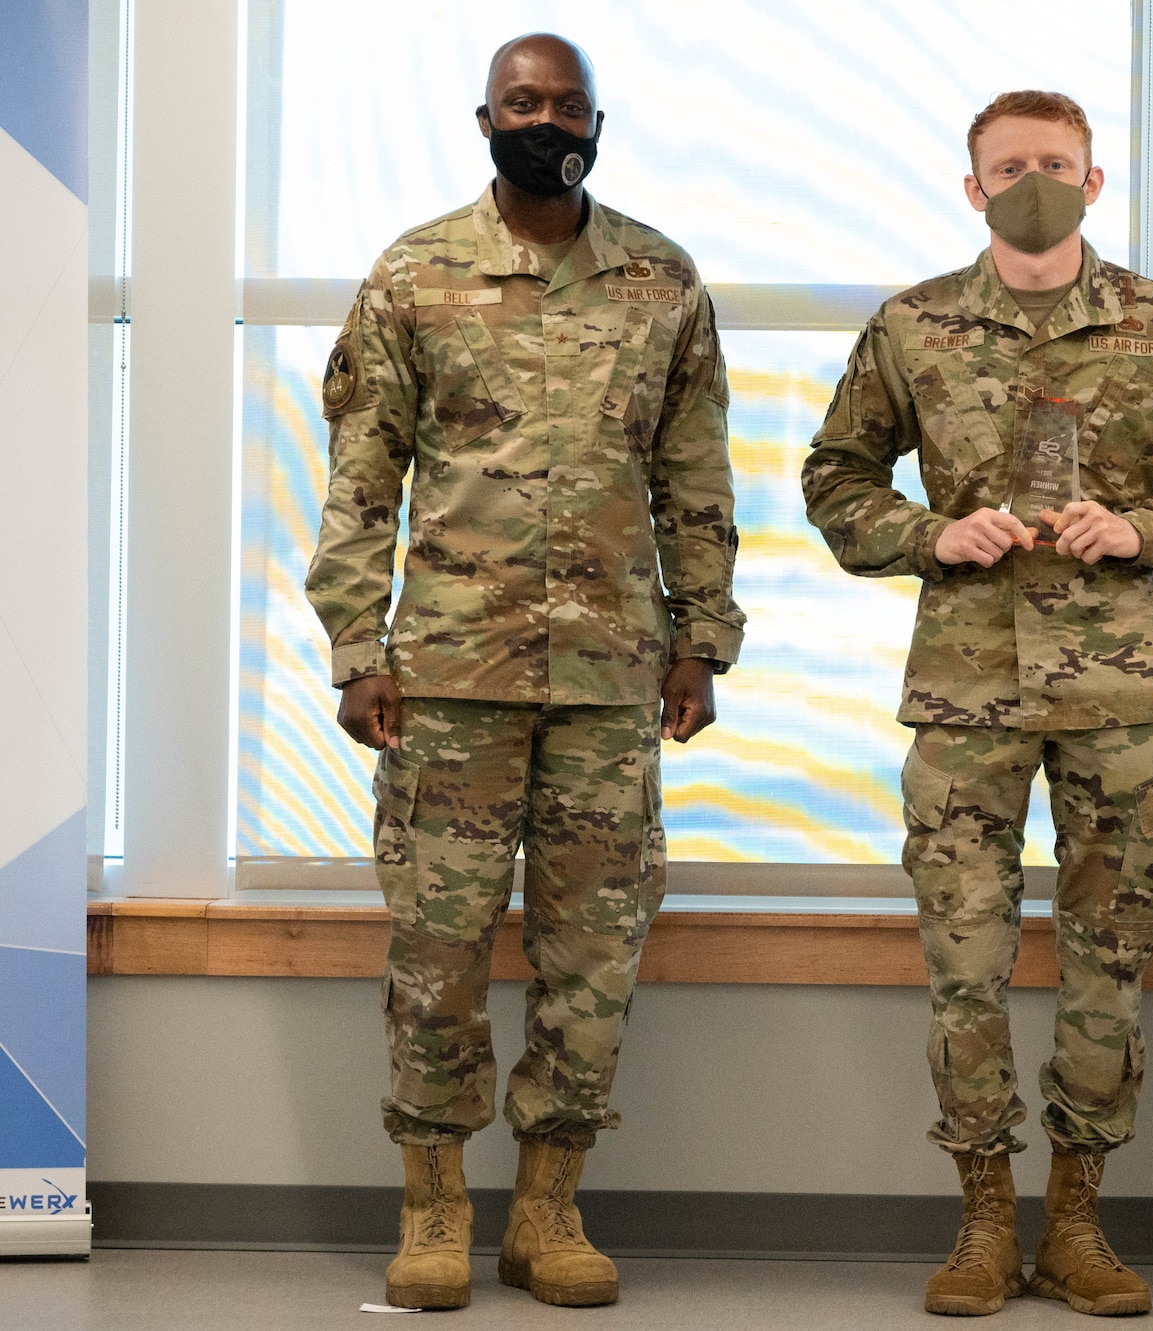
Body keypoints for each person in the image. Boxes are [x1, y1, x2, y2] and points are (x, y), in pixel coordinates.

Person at [802, 89, 1153, 1318]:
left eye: (1055, 163)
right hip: (964, 694)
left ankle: (1076, 1221)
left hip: (1113, 697)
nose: (1033, 182)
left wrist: (1147, 526)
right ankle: (979, 1218)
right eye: (1009, 167)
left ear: (1094, 181)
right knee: (966, 964)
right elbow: (833, 475)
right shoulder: (912, 325)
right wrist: (929, 532)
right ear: (973, 189)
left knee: (1108, 962)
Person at [304, 33, 744, 1311]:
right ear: (481, 116)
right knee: (436, 946)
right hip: (446, 676)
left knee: (593, 953)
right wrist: (353, 646)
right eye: (519, 101)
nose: (541, 119)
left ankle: (548, 1206)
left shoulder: (660, 279)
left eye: (564, 104)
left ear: (598, 123)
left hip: (611, 677)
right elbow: (359, 481)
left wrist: (700, 639)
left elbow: (695, 476)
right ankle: (434, 1204)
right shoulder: (416, 273)